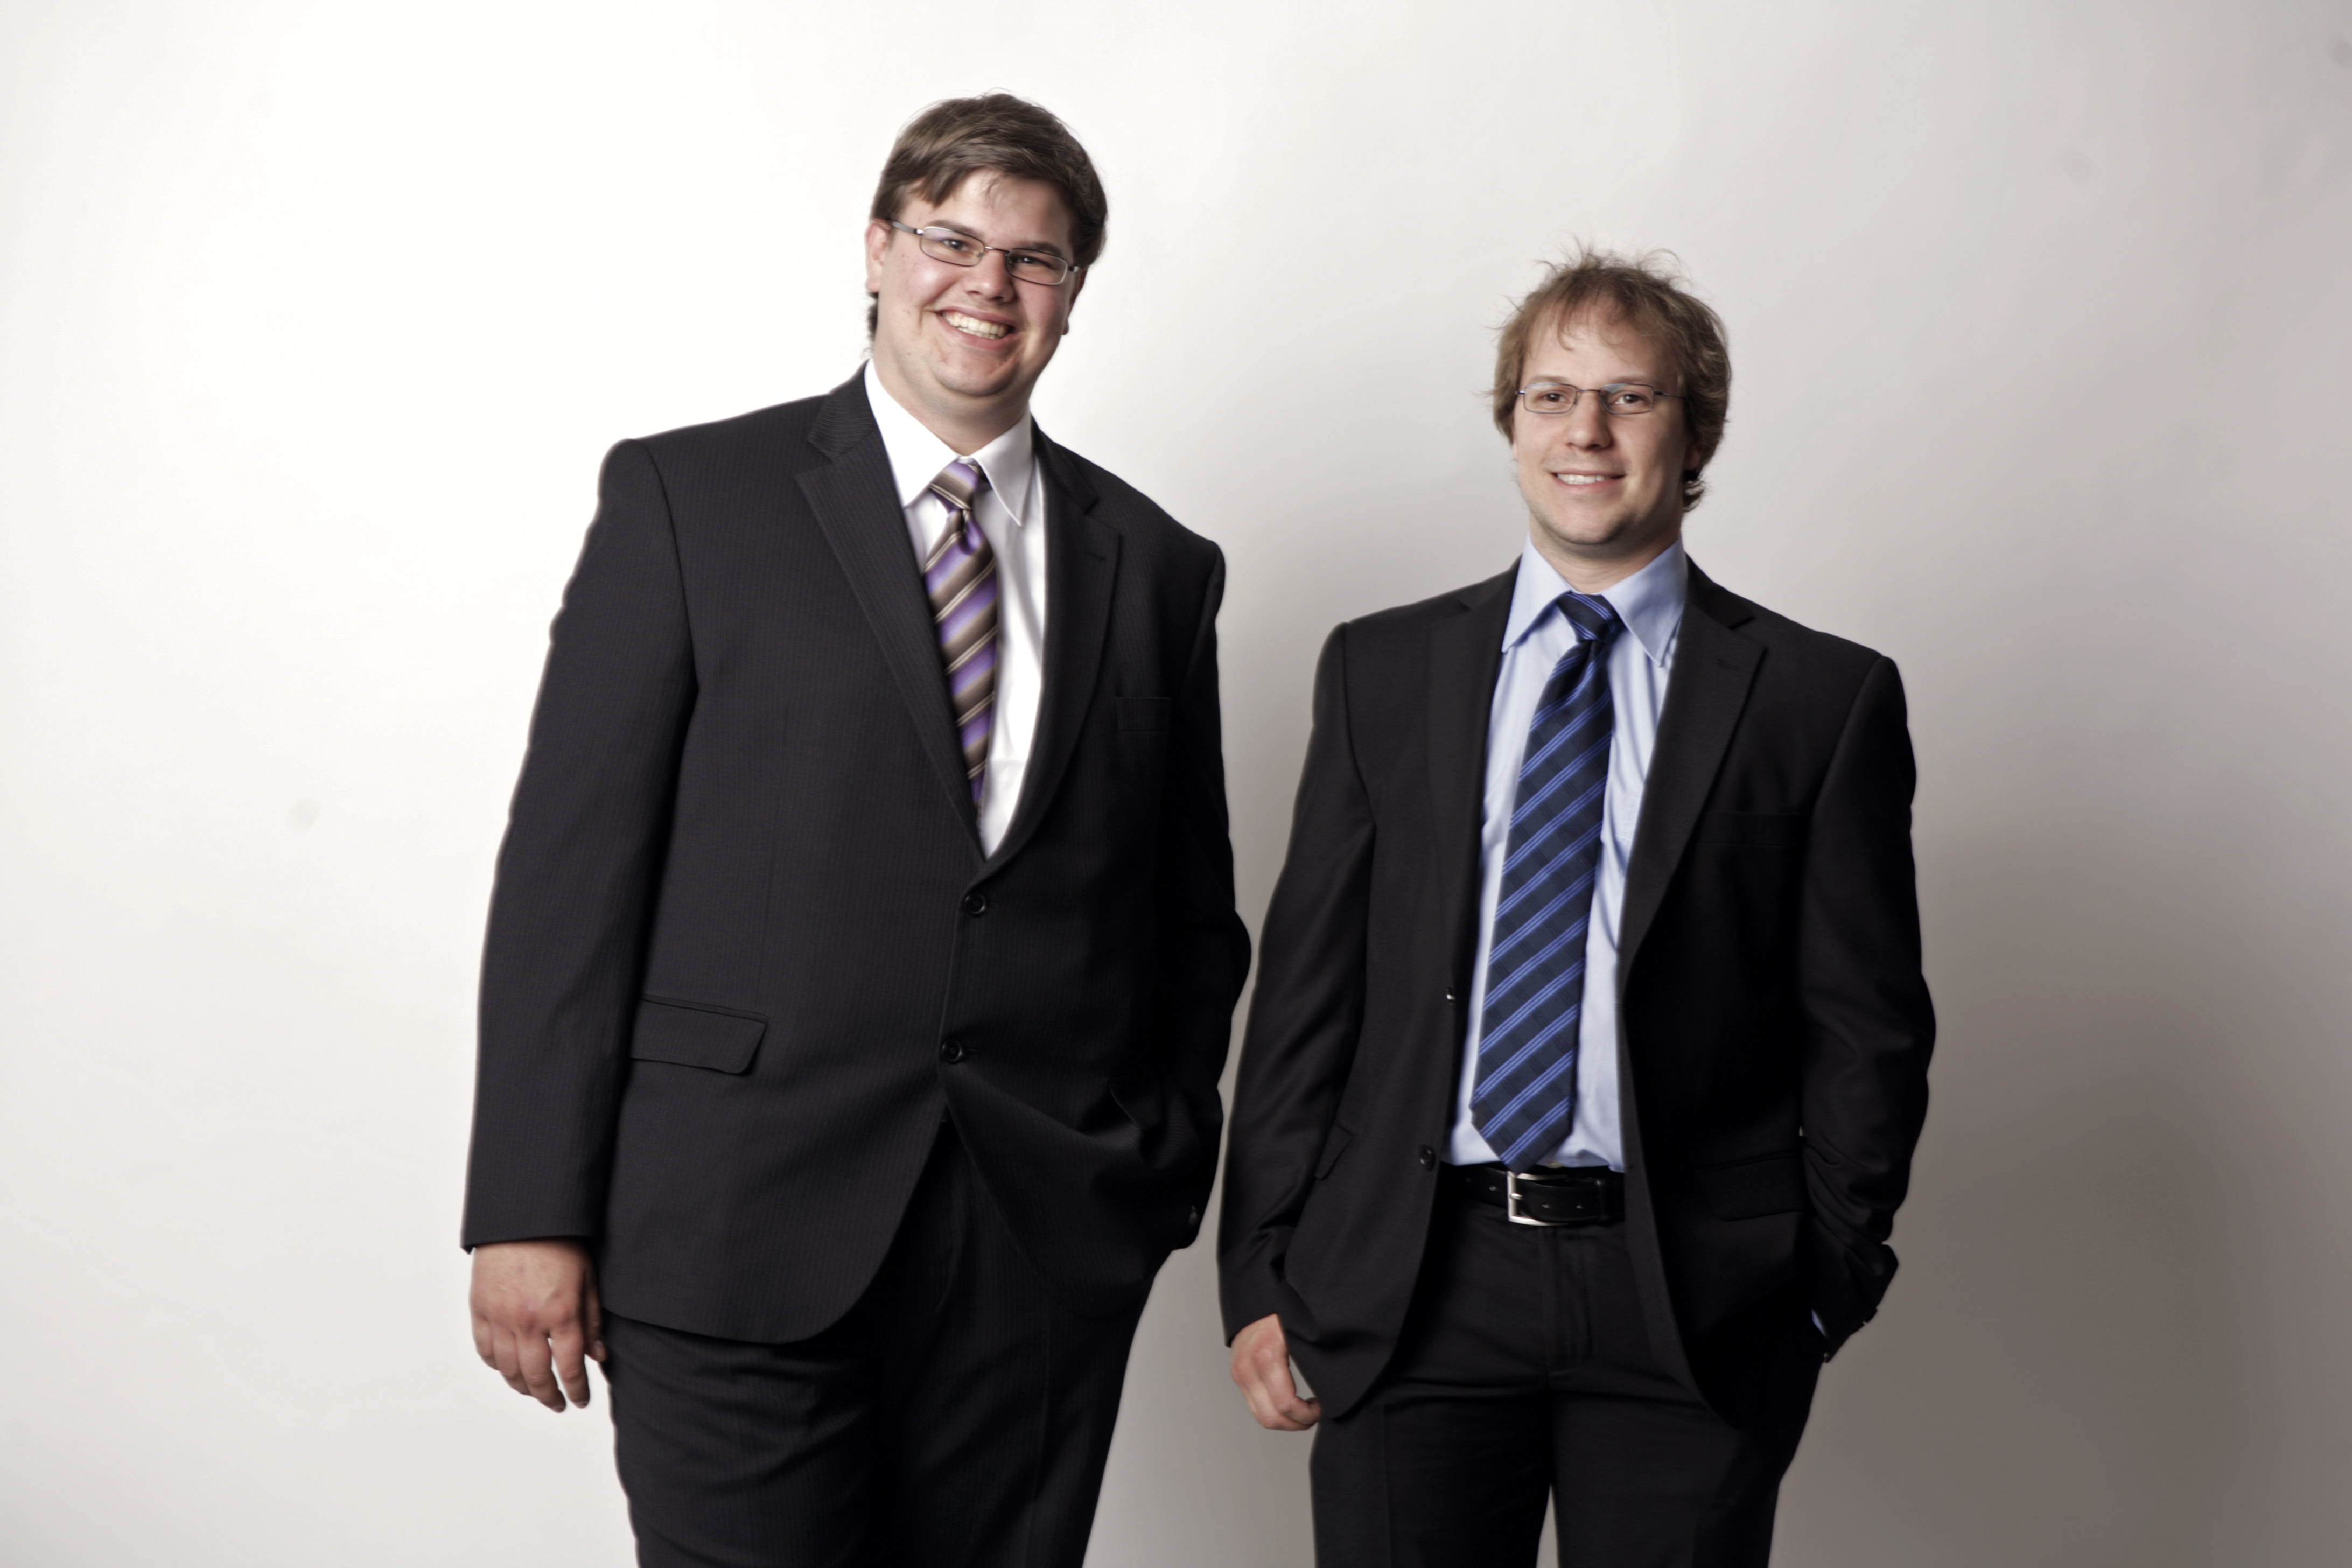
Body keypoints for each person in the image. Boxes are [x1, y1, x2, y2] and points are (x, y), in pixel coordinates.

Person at [461, 94, 1251, 1568]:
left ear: (1074, 292)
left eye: (1035, 258)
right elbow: (572, 881)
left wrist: (1148, 1165)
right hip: (731, 1224)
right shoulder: (691, 499)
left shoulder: (1157, 564)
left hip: (1035, 1254)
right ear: (879, 249)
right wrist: (527, 1208)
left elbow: (1187, 917)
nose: (989, 284)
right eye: (952, 239)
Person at [1217, 248, 1934, 1566]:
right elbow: (1307, 997)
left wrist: (1824, 1284)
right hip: (1414, 1280)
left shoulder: (1819, 700)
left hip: (1688, 1295)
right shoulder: (1381, 669)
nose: (1585, 432)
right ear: (1513, 425)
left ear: (1693, 432)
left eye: (1629, 397)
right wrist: (1260, 1270)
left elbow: (1867, 1027)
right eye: (1551, 396)